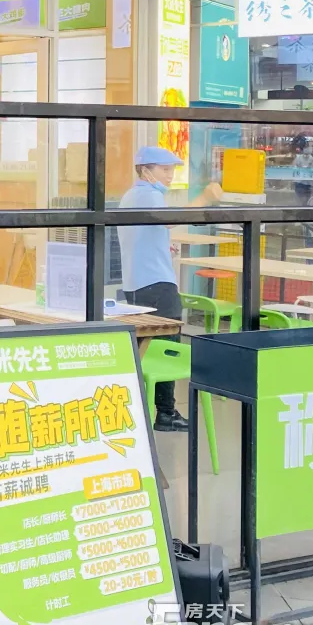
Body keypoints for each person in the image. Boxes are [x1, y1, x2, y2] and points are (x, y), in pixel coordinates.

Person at [117, 145, 221, 432]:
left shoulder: (130, 196)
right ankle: (165, 412)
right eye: (164, 169)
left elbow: (144, 234)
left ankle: (139, 408)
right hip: (156, 284)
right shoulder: (148, 195)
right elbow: (171, 219)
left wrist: (163, 246)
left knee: (145, 348)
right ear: (145, 170)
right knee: (167, 349)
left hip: (137, 284)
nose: (170, 175)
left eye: (172, 169)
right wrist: (205, 198)